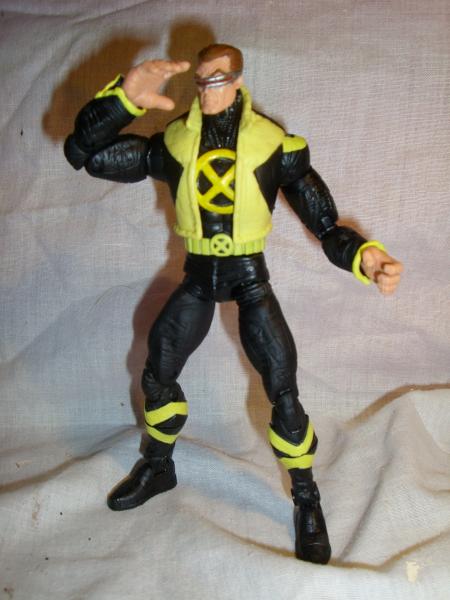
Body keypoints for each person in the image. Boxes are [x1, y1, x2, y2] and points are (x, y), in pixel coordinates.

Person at [64, 43, 402, 564]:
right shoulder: (174, 142)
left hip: (249, 278)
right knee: (157, 370)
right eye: (202, 81)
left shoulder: (274, 144)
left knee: (282, 389)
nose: (209, 91)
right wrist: (123, 101)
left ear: (239, 81)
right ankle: (159, 465)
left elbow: (324, 222)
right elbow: (85, 155)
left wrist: (364, 256)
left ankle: (306, 498)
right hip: (199, 276)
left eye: (219, 80)